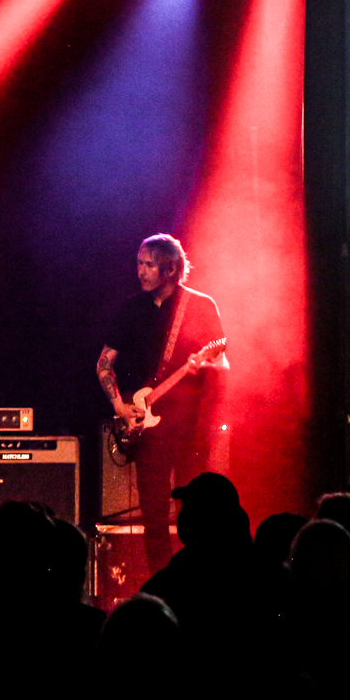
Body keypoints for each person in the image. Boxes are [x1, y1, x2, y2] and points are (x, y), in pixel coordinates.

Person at [97, 233, 228, 572]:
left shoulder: (200, 306)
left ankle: (197, 578)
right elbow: (104, 365)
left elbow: (222, 360)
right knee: (153, 512)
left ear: (171, 269)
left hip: (189, 425)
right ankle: (159, 578)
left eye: (150, 265)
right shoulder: (130, 309)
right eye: (140, 263)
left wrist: (205, 363)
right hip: (145, 427)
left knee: (195, 510)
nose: (141, 271)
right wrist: (119, 407)